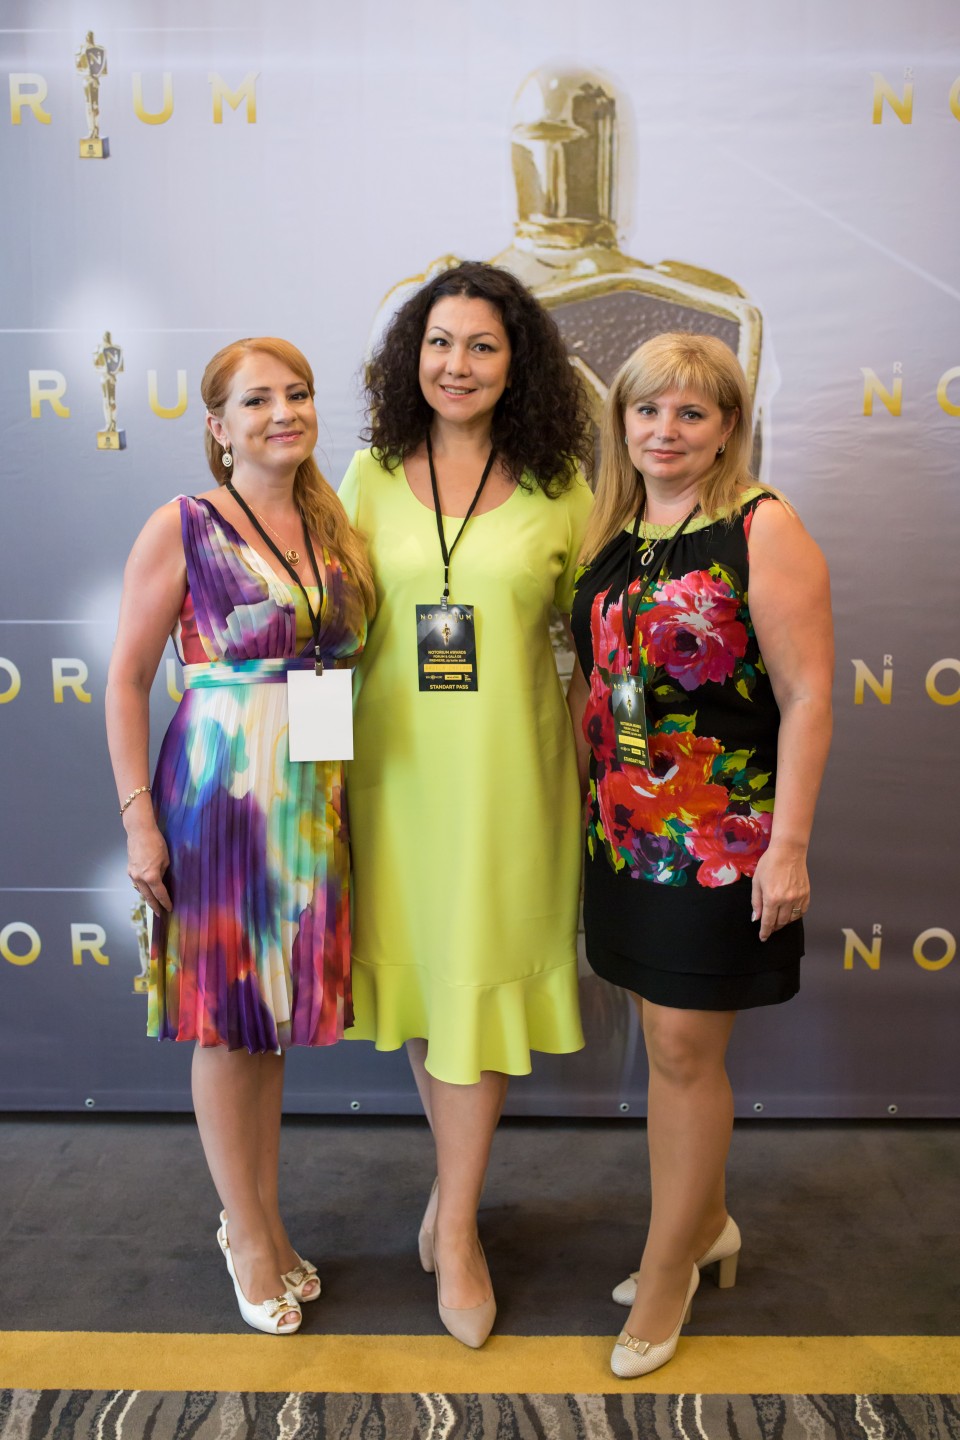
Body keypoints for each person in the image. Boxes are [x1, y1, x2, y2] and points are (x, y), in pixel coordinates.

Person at [338, 261, 594, 1348]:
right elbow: (328, 625)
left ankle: (458, 1227)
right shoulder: (363, 476)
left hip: (509, 784)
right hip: (393, 780)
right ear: (413, 356)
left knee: (477, 989)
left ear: (516, 361)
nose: (458, 365)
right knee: (430, 988)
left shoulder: (562, 487)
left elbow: (604, 637)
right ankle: (454, 1198)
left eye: (483, 345)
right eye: (440, 343)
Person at [567, 332, 833, 1379]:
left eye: (691, 413)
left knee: (682, 1052)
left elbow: (808, 696)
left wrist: (789, 848)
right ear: (622, 422)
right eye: (647, 410)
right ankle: (707, 1223)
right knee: (667, 1043)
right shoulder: (618, 529)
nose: (665, 431)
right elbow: (596, 684)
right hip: (624, 834)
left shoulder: (762, 526)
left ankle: (667, 1269)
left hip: (723, 836)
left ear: (728, 427)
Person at [105, 338, 374, 1335]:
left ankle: (264, 1218)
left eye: (297, 393)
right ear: (218, 427)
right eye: (256, 400)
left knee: (270, 1025)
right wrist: (139, 820)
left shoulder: (333, 526)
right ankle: (246, 1235)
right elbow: (126, 680)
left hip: (309, 801)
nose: (282, 412)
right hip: (220, 796)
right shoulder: (182, 524)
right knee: (227, 1020)